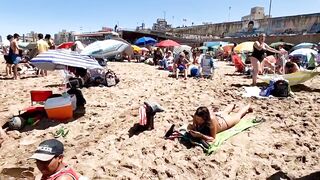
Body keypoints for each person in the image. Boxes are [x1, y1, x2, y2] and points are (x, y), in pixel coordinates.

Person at [188, 103, 253, 142]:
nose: (198, 121)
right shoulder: (196, 115)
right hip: (218, 116)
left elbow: (213, 138)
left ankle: (248, 105)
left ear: (205, 119)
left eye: (200, 120)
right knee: (225, 111)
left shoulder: (211, 121)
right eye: (197, 119)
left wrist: (201, 136)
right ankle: (233, 105)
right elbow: (194, 127)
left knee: (239, 115)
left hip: (224, 122)